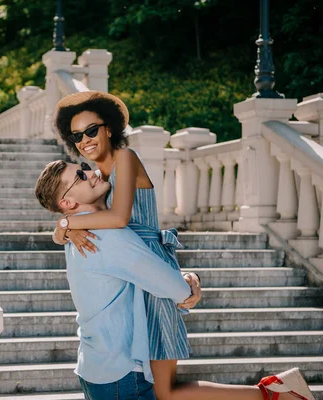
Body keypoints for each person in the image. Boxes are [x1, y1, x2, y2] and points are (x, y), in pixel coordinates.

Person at [48, 91, 314, 400]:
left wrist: (71, 224)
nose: (85, 140)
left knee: (166, 391)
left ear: (108, 128)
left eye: (92, 130)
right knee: (162, 392)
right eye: (77, 135)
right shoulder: (95, 178)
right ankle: (273, 392)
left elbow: (120, 217)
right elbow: (66, 223)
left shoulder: (125, 158)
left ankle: (271, 393)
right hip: (134, 282)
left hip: (152, 275)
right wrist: (65, 226)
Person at [35, 160, 201, 400]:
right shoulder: (108, 236)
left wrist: (64, 226)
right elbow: (177, 289)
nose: (91, 173)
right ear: (68, 203)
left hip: (96, 367)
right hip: (121, 375)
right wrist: (190, 279)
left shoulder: (77, 235)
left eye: (84, 166)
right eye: (81, 175)